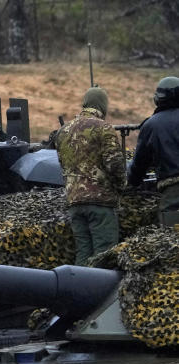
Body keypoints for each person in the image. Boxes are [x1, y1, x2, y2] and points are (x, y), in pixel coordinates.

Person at [55, 87, 125, 265]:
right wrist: (122, 187)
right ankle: (99, 292)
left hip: (74, 203)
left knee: (83, 254)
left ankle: (79, 291)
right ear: (103, 105)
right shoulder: (104, 128)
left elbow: (63, 165)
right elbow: (115, 165)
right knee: (104, 256)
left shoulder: (63, 132)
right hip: (100, 203)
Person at [127, 76, 179, 223]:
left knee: (171, 239)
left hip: (173, 193)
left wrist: (132, 182)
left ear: (158, 99)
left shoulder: (151, 125)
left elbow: (139, 164)